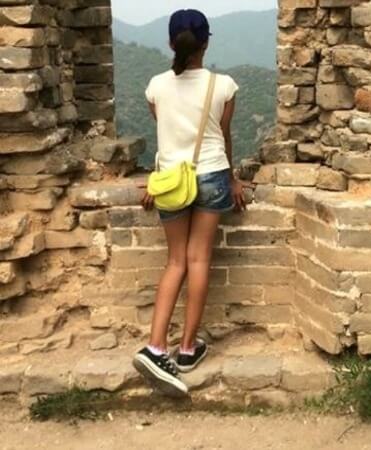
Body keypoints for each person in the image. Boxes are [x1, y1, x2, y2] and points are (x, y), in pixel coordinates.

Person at [132, 9, 247, 397]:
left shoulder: (155, 86)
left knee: (175, 261)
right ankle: (186, 349)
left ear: (170, 43)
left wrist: (154, 180)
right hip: (212, 175)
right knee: (198, 260)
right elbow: (223, 135)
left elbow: (166, 134)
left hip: (169, 182)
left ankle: (155, 346)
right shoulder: (224, 85)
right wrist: (232, 179)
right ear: (206, 43)